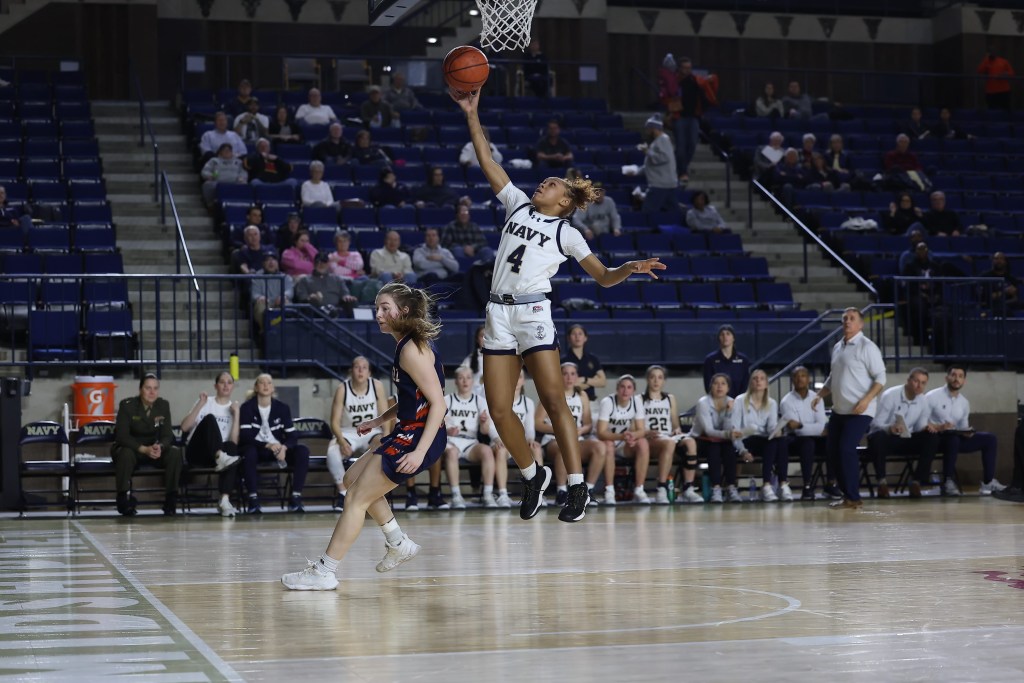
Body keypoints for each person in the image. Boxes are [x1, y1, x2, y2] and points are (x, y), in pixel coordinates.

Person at [454, 87, 665, 523]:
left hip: (532, 312)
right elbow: (487, 161)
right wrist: (472, 115)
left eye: (550, 184)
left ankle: (577, 486)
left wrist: (630, 266)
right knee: (498, 409)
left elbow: (604, 278)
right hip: (497, 312)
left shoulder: (567, 233)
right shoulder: (516, 205)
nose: (541, 184)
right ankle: (533, 475)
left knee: (553, 401)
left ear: (564, 201)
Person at [281, 283, 448, 590]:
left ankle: (325, 571)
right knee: (351, 479)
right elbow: (414, 398)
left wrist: (420, 452)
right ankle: (398, 542)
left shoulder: (412, 350)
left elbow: (439, 404)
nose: (378, 314)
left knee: (357, 499)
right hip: (408, 430)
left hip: (420, 436)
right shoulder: (405, 345)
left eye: (385, 308)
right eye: (377, 308)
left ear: (404, 311)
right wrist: (379, 419)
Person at [812, 307, 886, 510]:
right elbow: (833, 377)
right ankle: (847, 496)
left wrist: (867, 399)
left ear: (860, 324)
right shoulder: (838, 347)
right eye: (845, 318)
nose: (847, 321)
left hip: (860, 410)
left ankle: (854, 496)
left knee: (846, 449)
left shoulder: (867, 347)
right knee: (832, 451)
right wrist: (819, 395)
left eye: (852, 318)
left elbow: (881, 379)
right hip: (839, 410)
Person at [926, 365, 1006, 497]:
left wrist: (967, 432)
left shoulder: (964, 403)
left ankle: (988, 481)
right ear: (947, 378)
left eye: (960, 376)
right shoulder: (932, 396)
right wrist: (939, 427)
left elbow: (963, 427)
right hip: (937, 439)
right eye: (953, 375)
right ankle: (948, 481)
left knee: (989, 439)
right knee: (952, 439)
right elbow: (922, 421)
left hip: (956, 438)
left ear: (964, 381)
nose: (956, 379)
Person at [111, 374, 184, 517]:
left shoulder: (163, 405)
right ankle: (123, 499)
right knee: (125, 453)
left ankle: (171, 501)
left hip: (153, 449)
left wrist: (160, 447)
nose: (152, 392)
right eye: (148, 388)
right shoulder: (128, 406)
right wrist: (143, 449)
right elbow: (122, 436)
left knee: (175, 453)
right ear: (140, 390)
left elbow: (167, 435)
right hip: (133, 448)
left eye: (155, 388)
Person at [239, 373, 311, 514]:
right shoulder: (246, 408)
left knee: (302, 451)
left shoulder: (282, 408)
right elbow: (245, 437)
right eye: (262, 382)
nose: (266, 385)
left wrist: (284, 448)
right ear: (256, 387)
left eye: (269, 383)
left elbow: (292, 436)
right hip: (258, 449)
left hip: (278, 450)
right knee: (249, 452)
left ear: (273, 388)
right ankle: (253, 500)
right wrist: (267, 445)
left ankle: (295, 497)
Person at [326, 356, 390, 511]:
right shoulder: (343, 389)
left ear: (369, 372)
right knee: (332, 451)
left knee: (381, 447)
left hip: (372, 431)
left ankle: (372, 493)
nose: (361, 370)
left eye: (364, 367)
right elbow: (334, 421)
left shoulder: (377, 386)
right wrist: (341, 441)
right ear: (351, 371)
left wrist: (387, 435)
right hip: (349, 432)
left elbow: (385, 414)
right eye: (357, 367)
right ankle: (343, 493)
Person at [538, 362, 605, 506]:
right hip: (553, 440)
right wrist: (558, 429)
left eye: (573, 374)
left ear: (577, 377)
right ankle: (562, 491)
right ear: (558, 376)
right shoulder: (550, 394)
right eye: (565, 373)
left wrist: (582, 429)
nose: (569, 377)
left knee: (600, 447)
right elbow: (536, 423)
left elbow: (588, 423)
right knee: (565, 447)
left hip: (577, 439)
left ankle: (587, 490)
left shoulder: (582, 395)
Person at [866, 367, 937, 499]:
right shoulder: (890, 395)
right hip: (886, 438)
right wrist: (890, 428)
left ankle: (916, 481)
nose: (919, 385)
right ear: (908, 381)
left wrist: (927, 428)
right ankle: (882, 482)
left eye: (923, 383)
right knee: (878, 437)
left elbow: (919, 426)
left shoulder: (923, 400)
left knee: (931, 437)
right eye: (916, 381)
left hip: (906, 438)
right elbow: (875, 424)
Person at [179, 371, 243, 517]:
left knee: (232, 448)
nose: (226, 385)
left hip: (221, 459)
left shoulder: (234, 408)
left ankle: (225, 500)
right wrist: (200, 404)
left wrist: (237, 414)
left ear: (233, 387)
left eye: (229, 382)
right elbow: (184, 427)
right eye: (222, 382)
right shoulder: (206, 402)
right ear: (216, 386)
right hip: (197, 452)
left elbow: (233, 442)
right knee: (209, 419)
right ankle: (219, 455)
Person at [642, 365, 701, 504]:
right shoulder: (639, 399)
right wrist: (646, 433)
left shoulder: (670, 398)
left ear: (664, 381)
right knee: (668, 443)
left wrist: (677, 430)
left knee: (690, 442)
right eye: (653, 377)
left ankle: (688, 488)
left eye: (660, 378)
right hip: (651, 438)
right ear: (647, 380)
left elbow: (675, 423)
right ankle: (661, 488)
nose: (656, 381)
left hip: (668, 436)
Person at [442, 366, 499, 509]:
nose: (465, 381)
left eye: (468, 378)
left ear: (473, 381)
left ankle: (487, 494)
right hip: (451, 441)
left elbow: (485, 431)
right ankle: (456, 495)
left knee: (487, 451)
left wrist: (484, 422)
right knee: (452, 452)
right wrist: (448, 430)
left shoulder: (480, 401)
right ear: (455, 381)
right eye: (461, 378)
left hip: (470, 442)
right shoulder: (447, 400)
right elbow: (438, 425)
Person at [779, 366, 834, 501]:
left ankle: (831, 484)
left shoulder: (817, 398)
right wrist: (814, 428)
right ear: (792, 380)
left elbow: (822, 425)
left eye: (803, 376)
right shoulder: (786, 401)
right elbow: (797, 430)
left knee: (832, 442)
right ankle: (807, 486)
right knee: (807, 443)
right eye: (796, 376)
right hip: (793, 441)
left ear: (808, 379)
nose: (800, 379)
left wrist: (804, 425)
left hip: (815, 439)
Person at [730, 369, 785, 502]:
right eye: (755, 378)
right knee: (772, 444)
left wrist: (776, 430)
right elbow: (734, 430)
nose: (758, 381)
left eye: (762, 379)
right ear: (750, 383)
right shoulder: (740, 400)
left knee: (779, 441)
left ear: (766, 383)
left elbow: (771, 427)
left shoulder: (771, 403)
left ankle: (769, 485)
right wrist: (742, 451)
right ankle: (776, 484)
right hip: (745, 440)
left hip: (763, 439)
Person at [597, 375, 651, 505]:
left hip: (624, 443)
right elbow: (601, 433)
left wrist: (633, 436)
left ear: (633, 391)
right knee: (609, 445)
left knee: (643, 443)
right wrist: (622, 436)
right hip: (607, 442)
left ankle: (639, 490)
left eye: (629, 387)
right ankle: (609, 491)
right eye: (622, 387)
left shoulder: (637, 402)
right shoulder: (608, 402)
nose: (625, 391)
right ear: (617, 389)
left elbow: (641, 430)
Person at [489, 369, 536, 509]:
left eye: (519, 377)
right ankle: (503, 493)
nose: (515, 380)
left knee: (536, 450)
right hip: (502, 443)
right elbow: (492, 426)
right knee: (501, 451)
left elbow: (530, 428)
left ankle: (535, 493)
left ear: (523, 381)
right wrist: (497, 438)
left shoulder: (528, 402)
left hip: (519, 443)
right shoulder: (498, 399)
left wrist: (531, 439)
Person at [691, 373, 740, 503]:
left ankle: (731, 487)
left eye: (723, 383)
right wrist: (727, 434)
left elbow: (728, 428)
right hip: (700, 440)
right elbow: (708, 431)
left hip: (722, 440)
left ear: (728, 388)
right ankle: (716, 488)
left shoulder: (732, 402)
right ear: (710, 386)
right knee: (714, 448)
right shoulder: (703, 403)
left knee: (729, 448)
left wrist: (729, 412)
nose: (719, 386)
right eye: (716, 383)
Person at [669, 57, 715, 185]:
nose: (687, 70)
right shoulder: (675, 81)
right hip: (680, 117)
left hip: (693, 117)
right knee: (681, 146)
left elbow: (705, 91)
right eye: (685, 68)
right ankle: (682, 172)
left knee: (692, 144)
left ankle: (679, 167)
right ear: (680, 68)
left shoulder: (695, 80)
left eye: (689, 68)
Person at [328, 229, 381, 304]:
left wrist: (340, 261)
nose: (343, 244)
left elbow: (359, 266)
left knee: (372, 281)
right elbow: (336, 271)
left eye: (345, 241)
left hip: (357, 279)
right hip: (341, 281)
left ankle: (364, 304)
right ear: (336, 243)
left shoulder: (355, 254)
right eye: (340, 241)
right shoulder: (331, 256)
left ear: (349, 242)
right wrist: (354, 271)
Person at [638, 115, 678, 213]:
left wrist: (647, 151)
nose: (646, 131)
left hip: (660, 184)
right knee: (671, 212)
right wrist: (637, 171)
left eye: (648, 128)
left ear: (654, 128)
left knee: (648, 212)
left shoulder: (663, 139)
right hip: (665, 183)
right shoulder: (659, 141)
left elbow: (664, 158)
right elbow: (652, 163)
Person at [560, 324, 605, 402]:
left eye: (580, 334)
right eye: (574, 334)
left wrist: (584, 379)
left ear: (585, 338)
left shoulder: (593, 359)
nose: (577, 337)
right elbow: (566, 386)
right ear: (568, 338)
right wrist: (593, 381)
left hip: (590, 400)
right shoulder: (563, 360)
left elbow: (603, 382)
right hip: (569, 401)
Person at [702, 324, 751, 395]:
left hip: (738, 403)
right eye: (722, 334)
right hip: (717, 402)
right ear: (719, 338)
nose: (725, 337)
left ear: (733, 338)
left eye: (728, 334)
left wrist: (737, 401)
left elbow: (745, 384)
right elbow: (708, 386)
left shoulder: (743, 360)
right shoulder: (710, 360)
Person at [251, 253, 293, 334]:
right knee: (260, 304)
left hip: (279, 303)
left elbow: (290, 291)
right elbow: (254, 294)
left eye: (273, 260)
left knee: (287, 303)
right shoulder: (257, 277)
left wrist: (284, 296)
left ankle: (287, 329)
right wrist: (260, 297)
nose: (271, 262)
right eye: (267, 260)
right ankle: (266, 330)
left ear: (277, 263)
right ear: (263, 264)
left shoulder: (286, 277)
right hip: (266, 303)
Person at [200, 143, 248, 207]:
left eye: (229, 150)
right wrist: (210, 176)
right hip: (217, 182)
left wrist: (241, 178)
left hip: (235, 182)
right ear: (220, 152)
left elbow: (243, 172)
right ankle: (210, 204)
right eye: (225, 150)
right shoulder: (214, 161)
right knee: (207, 184)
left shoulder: (238, 162)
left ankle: (241, 204)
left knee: (244, 185)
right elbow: (205, 171)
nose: (227, 152)